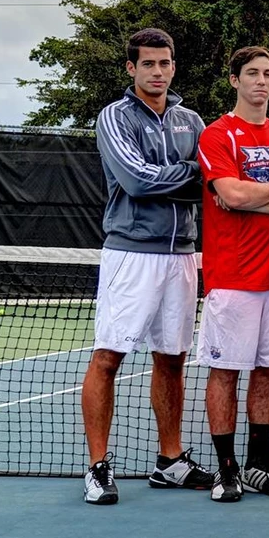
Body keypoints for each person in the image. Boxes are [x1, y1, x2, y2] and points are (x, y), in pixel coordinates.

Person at [80, 28, 210, 505]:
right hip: (131, 255)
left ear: (173, 66)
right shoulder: (115, 116)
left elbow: (214, 179)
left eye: (164, 63)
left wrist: (192, 178)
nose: (157, 71)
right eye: (148, 64)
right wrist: (193, 173)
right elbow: (136, 180)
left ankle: (170, 461)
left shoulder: (191, 120)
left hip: (182, 255)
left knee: (172, 359)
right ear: (131, 68)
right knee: (109, 357)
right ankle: (97, 467)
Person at [194, 46, 269, 503]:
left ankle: (259, 464)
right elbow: (230, 194)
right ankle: (227, 470)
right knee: (226, 372)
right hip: (233, 277)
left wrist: (256, 197)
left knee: (268, 372)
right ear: (235, 80)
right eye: (252, 73)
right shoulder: (217, 135)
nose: (261, 81)